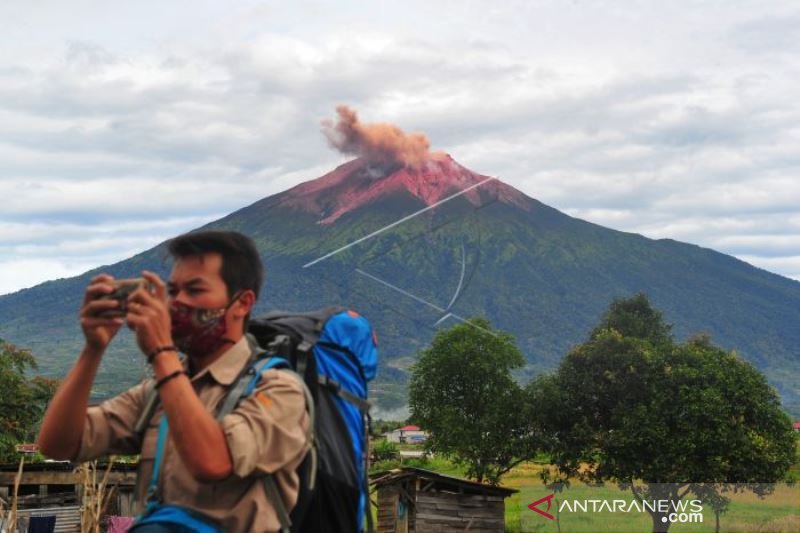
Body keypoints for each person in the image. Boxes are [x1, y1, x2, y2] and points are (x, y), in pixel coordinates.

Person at [37, 230, 309, 532]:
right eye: (173, 290)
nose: (177, 302)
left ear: (242, 303)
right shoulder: (156, 393)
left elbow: (215, 462)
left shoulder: (280, 390)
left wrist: (161, 351)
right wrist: (93, 349)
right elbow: (58, 445)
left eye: (194, 290)